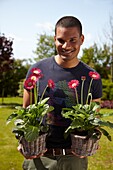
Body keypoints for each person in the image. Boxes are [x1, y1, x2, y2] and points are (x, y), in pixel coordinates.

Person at [22, 16, 102, 170]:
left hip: (74, 159)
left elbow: (94, 118)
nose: (66, 46)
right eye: (61, 40)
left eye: (73, 40)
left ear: (82, 39)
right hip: (39, 157)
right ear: (54, 39)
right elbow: (26, 111)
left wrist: (93, 139)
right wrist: (23, 141)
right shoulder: (37, 70)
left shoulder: (93, 77)